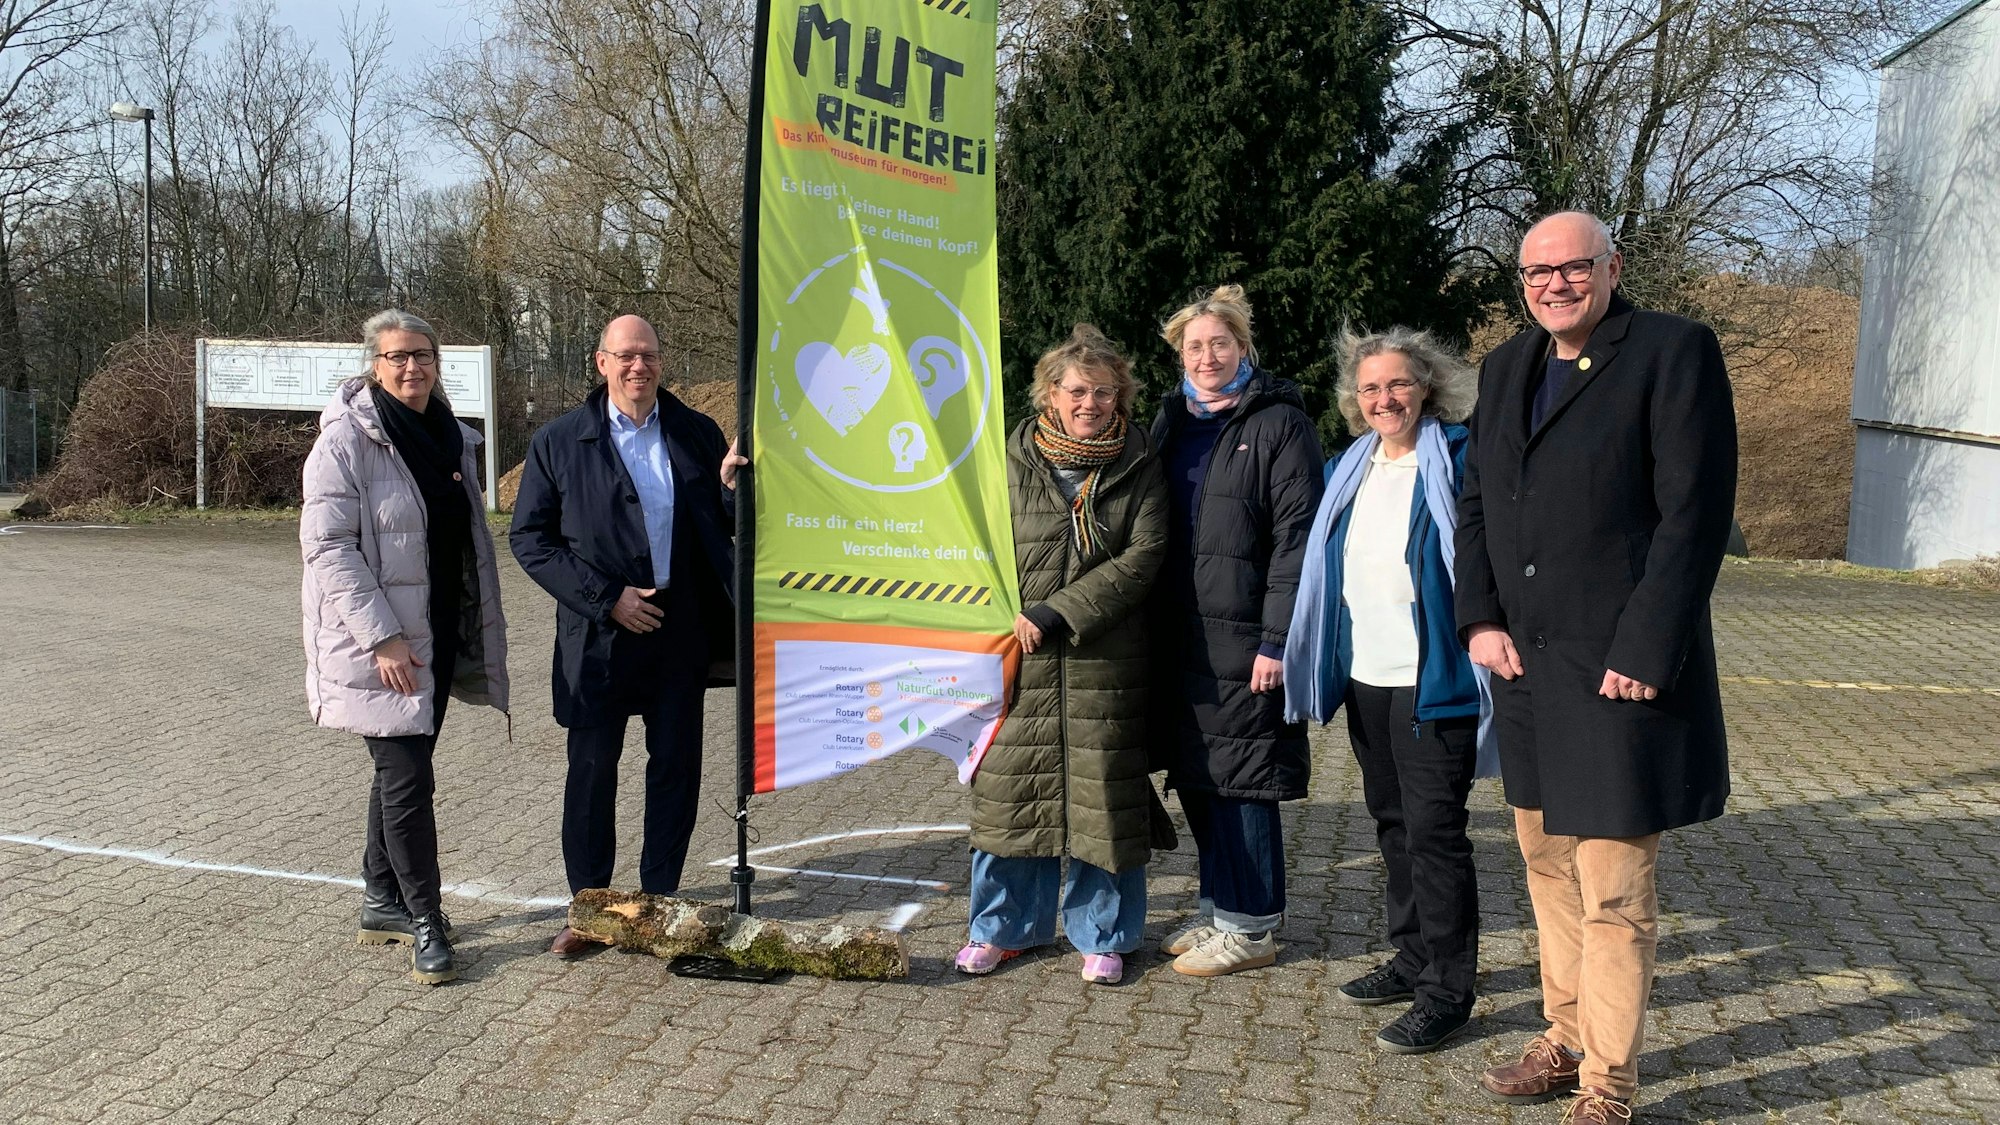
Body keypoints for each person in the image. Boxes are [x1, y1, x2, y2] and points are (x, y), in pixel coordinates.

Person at [1456, 212, 1737, 1122]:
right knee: (1546, 864)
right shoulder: (1505, 367)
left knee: (1614, 887)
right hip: (1525, 669)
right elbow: (1475, 502)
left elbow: (1694, 515)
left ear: (1611, 267)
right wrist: (1478, 617)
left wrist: (1647, 649)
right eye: (1537, 272)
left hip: (1617, 671)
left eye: (1573, 267)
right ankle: (1565, 1032)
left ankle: (1607, 1083)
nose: (1554, 284)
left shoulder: (1672, 352)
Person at [1283, 327, 1487, 1052]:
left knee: (1435, 834)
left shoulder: (1461, 458)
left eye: (1398, 383)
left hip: (1435, 678)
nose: (1384, 398)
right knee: (1393, 824)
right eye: (1370, 387)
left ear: (1426, 386)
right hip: (1368, 675)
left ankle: (1447, 991)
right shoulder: (1348, 466)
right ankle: (1411, 958)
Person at [510, 314, 736, 957]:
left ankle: (658, 901)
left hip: (678, 629)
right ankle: (592, 910)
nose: (640, 366)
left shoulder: (696, 432)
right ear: (601, 361)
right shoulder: (558, 441)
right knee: (591, 772)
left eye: (650, 355)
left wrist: (729, 492)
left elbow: (720, 526)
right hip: (598, 638)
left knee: (675, 769)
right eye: (627, 355)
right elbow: (530, 539)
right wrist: (607, 598)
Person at [956, 324, 1170, 986]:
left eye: (1103, 392)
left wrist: (1059, 611)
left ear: (1120, 396)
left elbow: (1145, 555)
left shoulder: (1139, 461)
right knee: (1009, 797)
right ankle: (1001, 928)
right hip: (1016, 660)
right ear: (1050, 393)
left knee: (1104, 805)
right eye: (1077, 390)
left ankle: (1104, 934)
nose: (1090, 403)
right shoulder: (1006, 459)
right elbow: (968, 542)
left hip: (1105, 660)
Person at [302, 309, 510, 986]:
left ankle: (379, 897)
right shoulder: (345, 441)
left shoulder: (451, 435)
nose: (411, 366)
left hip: (437, 633)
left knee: (400, 772)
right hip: (381, 645)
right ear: (375, 364)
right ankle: (425, 918)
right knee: (409, 779)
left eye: (422, 354)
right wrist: (383, 637)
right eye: (396, 356)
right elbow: (328, 549)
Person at [1148, 284, 1325, 976]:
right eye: (1195, 346)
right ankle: (1219, 906)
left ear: (1243, 346)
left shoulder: (1279, 423)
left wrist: (1277, 640)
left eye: (1220, 343)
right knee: (1199, 774)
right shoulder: (1171, 421)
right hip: (1181, 635)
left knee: (1245, 777)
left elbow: (1297, 539)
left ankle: (1252, 927)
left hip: (1246, 636)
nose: (1207, 356)